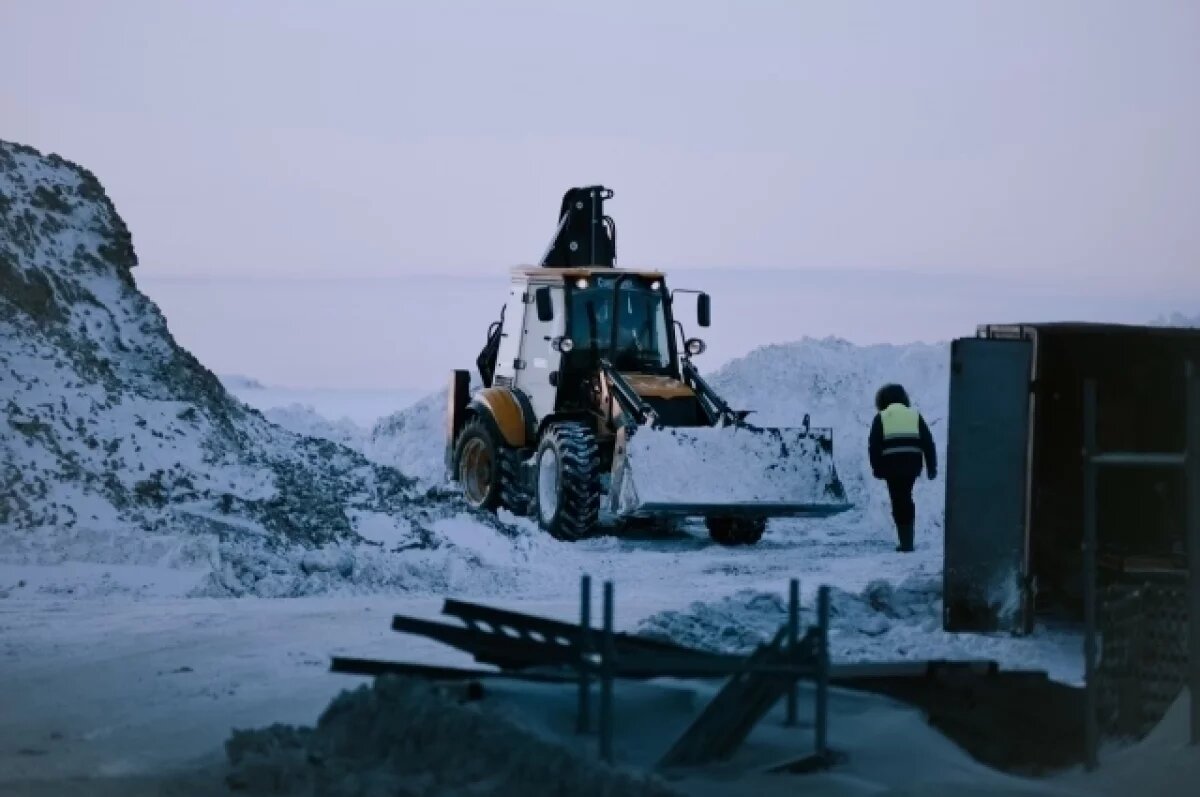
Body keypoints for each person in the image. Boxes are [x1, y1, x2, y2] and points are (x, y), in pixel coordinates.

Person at [868, 383, 937, 552]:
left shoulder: (881, 417)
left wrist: (876, 468)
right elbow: (928, 442)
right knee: (905, 497)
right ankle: (908, 540)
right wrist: (931, 467)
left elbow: (874, 446)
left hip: (891, 465)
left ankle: (905, 542)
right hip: (912, 464)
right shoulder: (914, 416)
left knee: (898, 499)